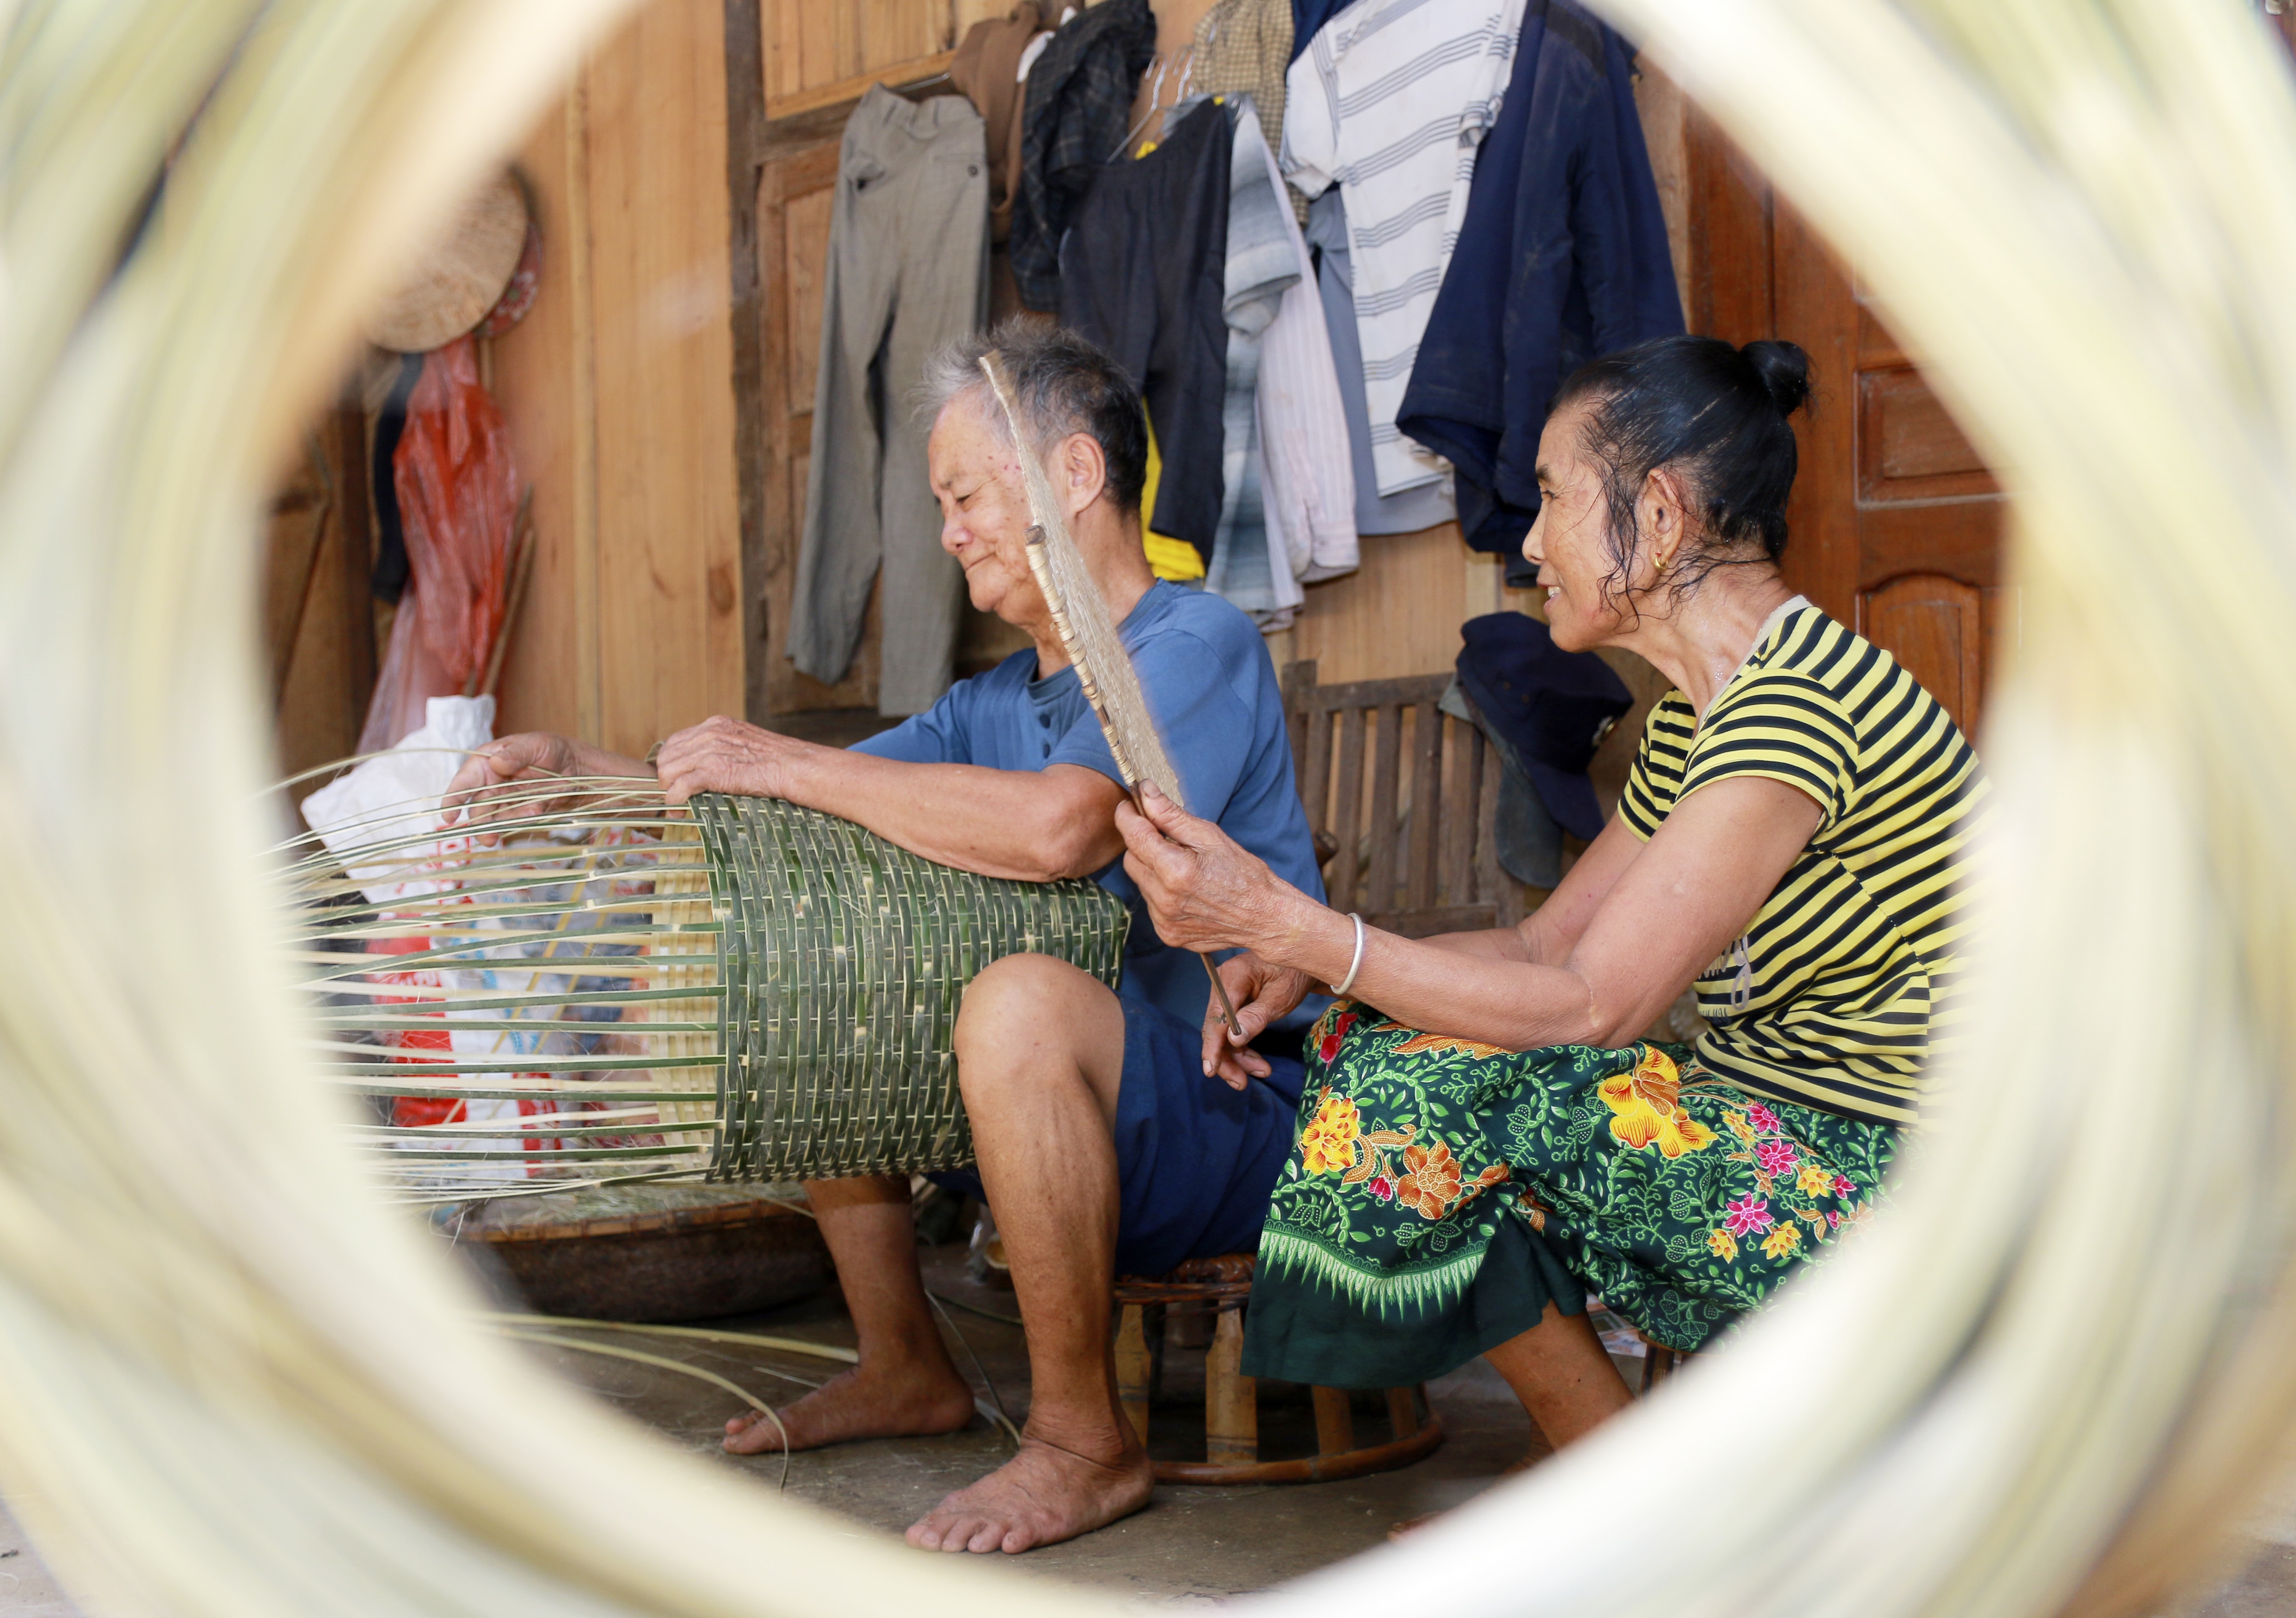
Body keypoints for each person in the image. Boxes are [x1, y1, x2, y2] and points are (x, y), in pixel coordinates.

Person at [444, 321, 1324, 1554]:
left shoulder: (1196, 643)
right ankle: (905, 1362)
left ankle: (1085, 1441)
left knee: (1017, 997)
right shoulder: (989, 703)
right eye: (944, 504)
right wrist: (578, 775)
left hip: (1241, 1122)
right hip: (1064, 1127)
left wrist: (780, 760)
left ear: (1074, 477)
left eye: (965, 496)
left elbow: (1066, 829)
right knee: (821, 970)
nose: (951, 529)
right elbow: (780, 796)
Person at [1115, 334, 1983, 1463]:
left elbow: (1588, 1007)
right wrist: (1317, 963)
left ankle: (1626, 1514)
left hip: (1911, 1184)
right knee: (1374, 1035)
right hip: (1781, 1130)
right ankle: (1628, 1488)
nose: (1529, 542)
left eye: (1553, 498)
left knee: (1430, 1088)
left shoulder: (1795, 710)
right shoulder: (1699, 718)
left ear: (1660, 514)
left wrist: (1297, 925)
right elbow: (1542, 943)